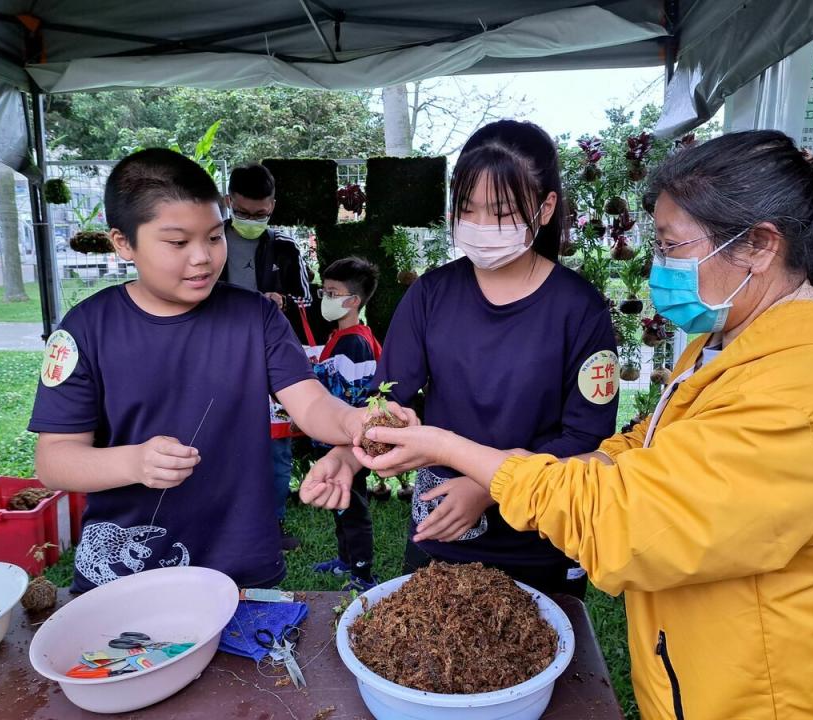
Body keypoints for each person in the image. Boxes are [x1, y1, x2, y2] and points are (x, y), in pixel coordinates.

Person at [327, 131, 813, 720]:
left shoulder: (802, 393)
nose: (658, 265)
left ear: (760, 246)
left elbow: (628, 518)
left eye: (670, 246)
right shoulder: (727, 348)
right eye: (467, 209)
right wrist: (358, 444)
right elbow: (645, 448)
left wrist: (462, 458)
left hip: (777, 694)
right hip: (721, 671)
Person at [28, 148, 414, 594]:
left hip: (241, 562)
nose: (203, 258)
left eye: (214, 237)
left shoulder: (257, 318)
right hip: (125, 569)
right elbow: (54, 461)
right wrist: (133, 461)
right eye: (178, 243)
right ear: (123, 242)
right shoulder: (86, 329)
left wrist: (354, 422)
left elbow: (310, 403)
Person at [302, 120, 619, 597]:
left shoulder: (581, 309)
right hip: (440, 525)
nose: (481, 226)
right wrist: (348, 454)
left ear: (546, 207)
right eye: (467, 209)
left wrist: (489, 487)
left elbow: (586, 435)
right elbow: (389, 399)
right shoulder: (431, 294)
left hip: (538, 534)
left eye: (501, 211)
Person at [220, 162, 314, 549]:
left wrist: (284, 301)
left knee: (277, 447)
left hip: (273, 364)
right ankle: (227, 523)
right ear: (228, 202)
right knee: (221, 442)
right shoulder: (210, 242)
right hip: (220, 360)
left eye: (261, 214)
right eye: (242, 213)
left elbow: (309, 298)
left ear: (273, 205)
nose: (251, 220)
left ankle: (272, 524)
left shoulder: (286, 247)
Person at [309, 257, 382, 591]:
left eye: (333, 292)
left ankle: (363, 574)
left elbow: (356, 398)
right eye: (324, 290)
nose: (325, 297)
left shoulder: (355, 342)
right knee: (341, 505)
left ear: (353, 301)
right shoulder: (340, 337)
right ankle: (345, 561)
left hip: (348, 445)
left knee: (353, 508)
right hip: (334, 443)